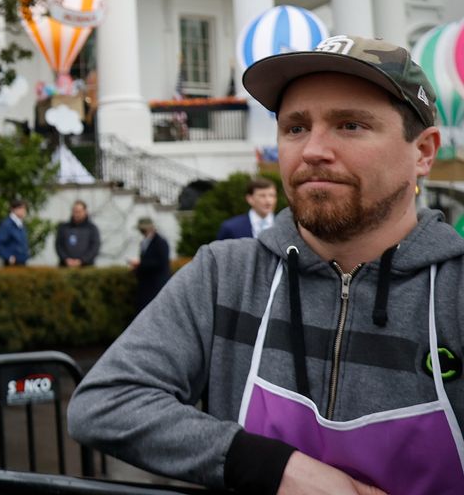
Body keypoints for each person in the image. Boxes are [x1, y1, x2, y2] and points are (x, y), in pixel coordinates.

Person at [68, 35, 464, 494]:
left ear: (424, 152)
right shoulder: (226, 275)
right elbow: (104, 402)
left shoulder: (454, 291)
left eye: (350, 125)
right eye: (295, 128)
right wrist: (275, 469)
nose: (313, 150)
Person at [128, 217, 170, 312]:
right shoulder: (144, 242)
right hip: (146, 286)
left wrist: (140, 264)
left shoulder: (160, 243)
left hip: (156, 286)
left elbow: (161, 263)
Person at [55, 200, 100, 267]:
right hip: (65, 267)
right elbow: (59, 245)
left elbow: (94, 247)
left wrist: (82, 260)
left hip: (86, 267)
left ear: (85, 212)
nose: (77, 214)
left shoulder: (92, 229)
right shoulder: (64, 228)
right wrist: (66, 259)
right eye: (75, 211)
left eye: (79, 212)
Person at [0, 199, 30, 266]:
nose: (24, 210)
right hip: (12, 263)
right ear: (13, 209)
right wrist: (9, 257)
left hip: (21, 262)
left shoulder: (20, 224)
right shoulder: (7, 224)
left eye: (25, 208)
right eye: (21, 208)